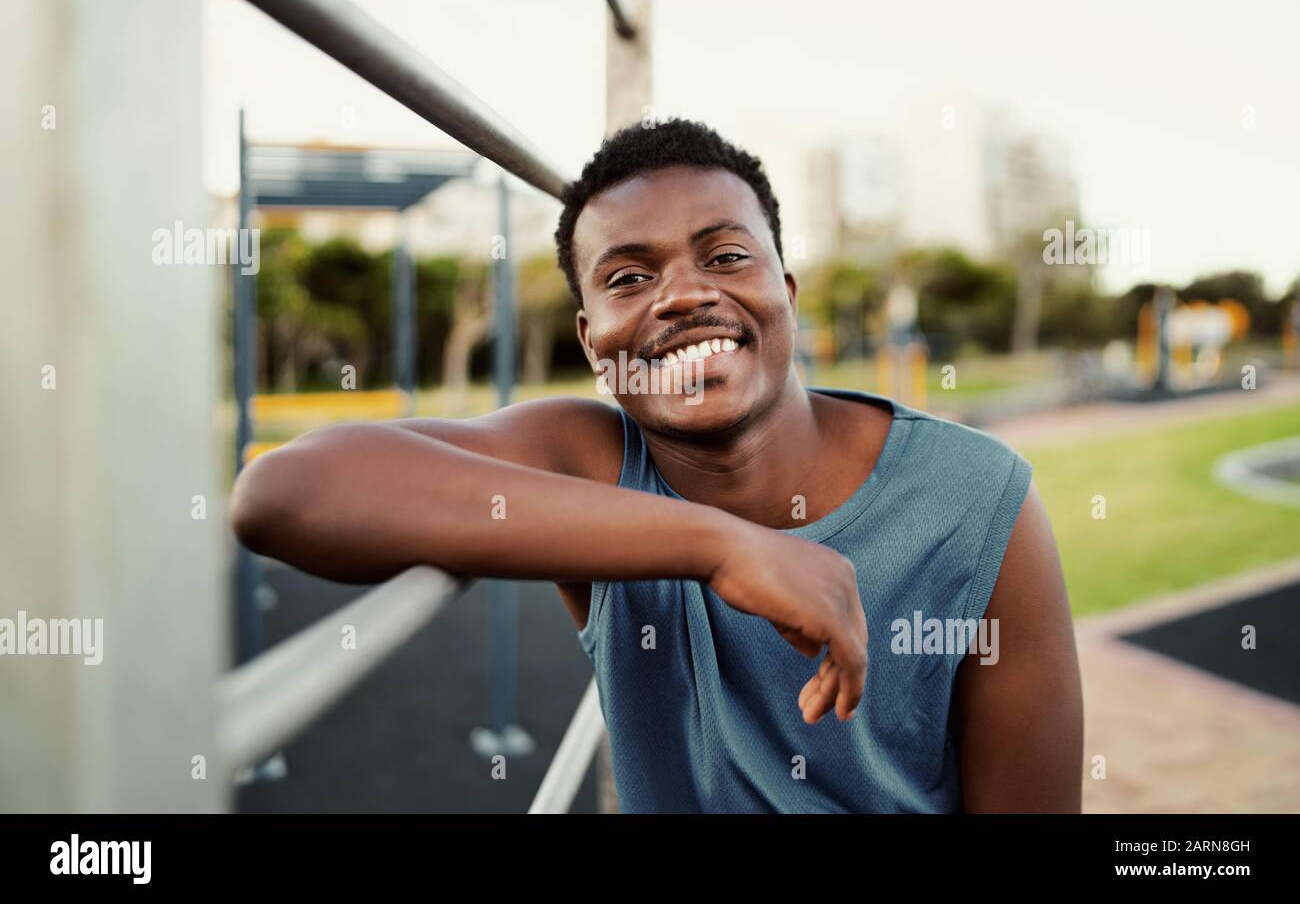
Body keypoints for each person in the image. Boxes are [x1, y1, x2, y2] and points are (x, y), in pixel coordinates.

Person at [231, 118, 1083, 813]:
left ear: (786, 291)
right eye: (630, 276)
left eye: (724, 256)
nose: (681, 295)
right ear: (591, 340)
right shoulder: (592, 459)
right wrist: (720, 546)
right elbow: (286, 491)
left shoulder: (978, 500)